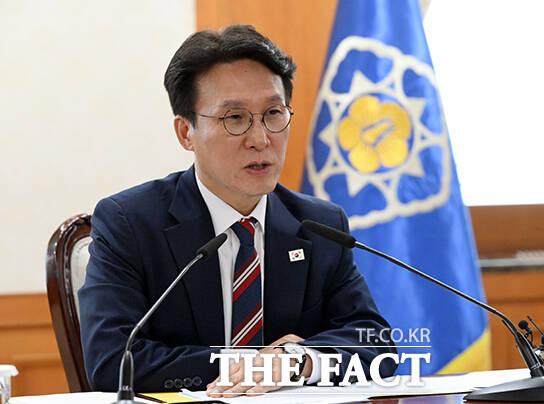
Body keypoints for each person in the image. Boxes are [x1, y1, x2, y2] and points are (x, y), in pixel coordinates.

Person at [78, 25, 396, 396]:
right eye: (234, 118)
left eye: (273, 113)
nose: (260, 139)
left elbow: (376, 344)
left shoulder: (319, 225)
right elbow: (112, 361)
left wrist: (299, 361)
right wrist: (252, 366)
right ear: (185, 132)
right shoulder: (130, 223)